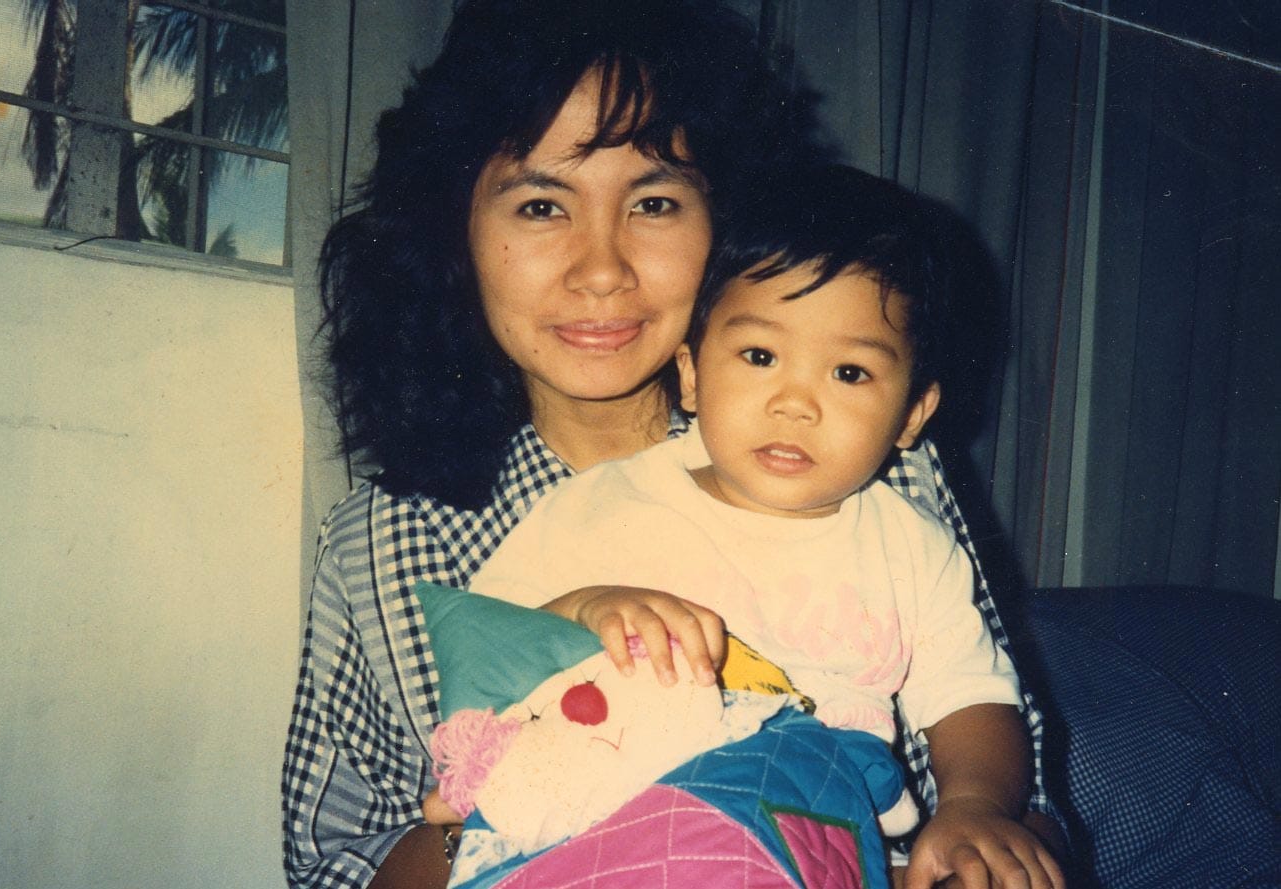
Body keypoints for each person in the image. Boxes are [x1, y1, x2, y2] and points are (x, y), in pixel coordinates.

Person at [279, 2, 1062, 887]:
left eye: (653, 201)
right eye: (541, 204)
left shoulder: (865, 465)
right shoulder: (381, 544)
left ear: (724, 223)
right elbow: (340, 863)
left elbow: (1008, 776)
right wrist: (513, 807)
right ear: (452, 230)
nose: (602, 268)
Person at [469, 164, 1064, 888]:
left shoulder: (912, 546)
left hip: (829, 842)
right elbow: (478, 658)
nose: (795, 402)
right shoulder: (598, 505)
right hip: (619, 833)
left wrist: (972, 805)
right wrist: (580, 608)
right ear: (690, 374)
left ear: (913, 414)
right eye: (759, 356)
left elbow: (973, 697)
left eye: (849, 373)